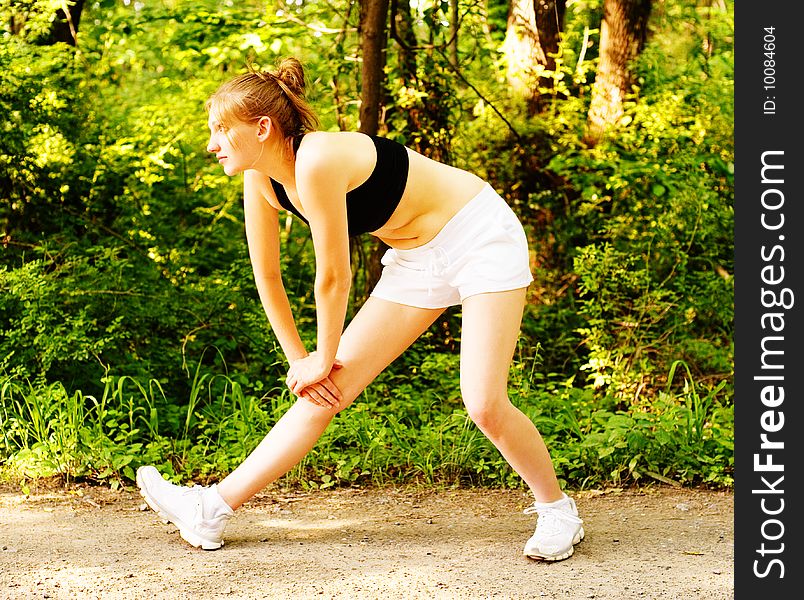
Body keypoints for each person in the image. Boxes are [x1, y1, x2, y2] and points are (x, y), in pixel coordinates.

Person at [136, 57, 584, 561]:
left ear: (261, 128)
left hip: (479, 236)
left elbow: (334, 275)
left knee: (482, 401)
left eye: (221, 129)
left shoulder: (317, 160)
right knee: (323, 393)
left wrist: (322, 355)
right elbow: (268, 275)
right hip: (418, 258)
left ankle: (557, 511)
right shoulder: (261, 179)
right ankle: (210, 509)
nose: (211, 143)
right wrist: (301, 361)